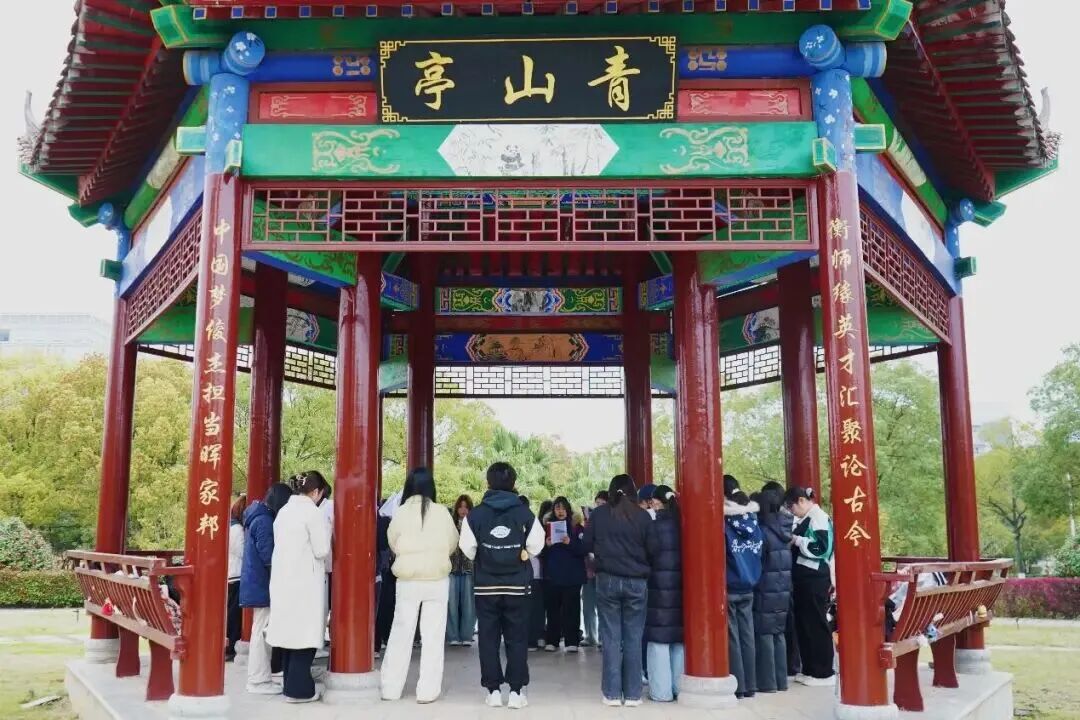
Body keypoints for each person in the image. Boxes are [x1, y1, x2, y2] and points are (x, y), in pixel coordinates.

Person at [459, 462, 544, 709]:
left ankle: (493, 691)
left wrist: (486, 559)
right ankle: (516, 693)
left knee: (488, 639)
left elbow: (467, 548)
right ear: (513, 483)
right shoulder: (525, 513)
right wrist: (520, 554)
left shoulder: (476, 514)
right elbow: (536, 545)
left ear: (488, 482)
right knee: (517, 639)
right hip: (517, 586)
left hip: (486, 586)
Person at [380, 468, 460, 703]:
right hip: (437, 579)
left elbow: (392, 542)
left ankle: (391, 689)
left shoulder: (401, 512)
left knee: (401, 634)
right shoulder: (442, 512)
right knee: (433, 636)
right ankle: (427, 691)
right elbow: (452, 542)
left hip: (408, 580)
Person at [582, 474, 653, 707]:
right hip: (637, 581)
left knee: (611, 637)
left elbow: (586, 544)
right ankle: (633, 694)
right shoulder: (643, 516)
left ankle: (612, 694)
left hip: (608, 579)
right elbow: (654, 548)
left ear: (611, 491)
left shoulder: (599, 514)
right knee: (633, 637)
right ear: (633, 491)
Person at [266, 471, 331, 703]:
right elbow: (322, 550)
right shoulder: (313, 513)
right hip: (305, 581)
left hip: (283, 579)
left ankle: (289, 684)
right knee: (304, 634)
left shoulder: (284, 511)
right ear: (316, 492)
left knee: (288, 633)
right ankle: (299, 690)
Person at [240, 482, 293, 695]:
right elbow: (269, 556)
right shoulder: (264, 521)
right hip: (262, 584)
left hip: (256, 582)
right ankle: (258, 680)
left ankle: (262, 676)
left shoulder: (257, 516)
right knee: (261, 634)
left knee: (260, 631)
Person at [783, 485, 836, 686]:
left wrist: (797, 540)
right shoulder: (807, 518)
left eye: (792, 507)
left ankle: (823, 672)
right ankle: (810, 669)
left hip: (814, 577)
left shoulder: (818, 518)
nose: (792, 512)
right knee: (805, 625)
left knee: (816, 624)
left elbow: (822, 548)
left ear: (801, 501)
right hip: (804, 578)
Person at [724, 479, 764, 699]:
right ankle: (751, 684)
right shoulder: (755, 525)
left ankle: (738, 685)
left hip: (731, 585)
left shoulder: (725, 526)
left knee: (732, 637)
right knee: (747, 635)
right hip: (750, 585)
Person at [644, 485, 684, 702]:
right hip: (680, 589)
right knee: (678, 640)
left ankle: (661, 692)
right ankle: (679, 687)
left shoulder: (653, 527)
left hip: (658, 589)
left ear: (657, 503)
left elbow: (646, 555)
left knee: (658, 640)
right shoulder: (683, 525)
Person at [753, 485, 792, 693]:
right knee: (778, 632)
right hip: (783, 588)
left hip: (765, 587)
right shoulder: (785, 529)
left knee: (764, 633)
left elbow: (759, 561)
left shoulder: (763, 531)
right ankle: (781, 680)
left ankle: (767, 682)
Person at [541, 496, 586, 652]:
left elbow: (583, 549)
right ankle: (552, 640)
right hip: (552, 575)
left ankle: (572, 641)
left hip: (572, 576)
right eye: (557, 508)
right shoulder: (547, 527)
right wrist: (546, 545)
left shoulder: (576, 528)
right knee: (552, 609)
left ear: (568, 510)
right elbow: (540, 553)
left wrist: (570, 543)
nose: (560, 511)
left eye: (563, 508)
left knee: (571, 609)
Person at [447, 494, 476, 647]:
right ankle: (452, 635)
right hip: (451, 568)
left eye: (466, 507)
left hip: (468, 568)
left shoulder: (474, 525)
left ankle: (466, 635)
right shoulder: (450, 525)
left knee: (468, 604)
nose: (463, 510)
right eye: (461, 506)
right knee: (451, 603)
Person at [519, 495, 546, 651]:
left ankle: (535, 637)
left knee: (535, 608)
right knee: (523, 609)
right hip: (520, 575)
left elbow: (540, 547)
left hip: (534, 573)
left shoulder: (534, 524)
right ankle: (527, 638)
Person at [581, 489, 608, 648]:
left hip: (603, 570)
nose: (598, 506)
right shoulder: (587, 522)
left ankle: (603, 638)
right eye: (597, 503)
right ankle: (590, 636)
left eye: (602, 504)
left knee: (603, 606)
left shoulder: (612, 522)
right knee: (588, 605)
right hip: (588, 570)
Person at [226, 493, 246, 661]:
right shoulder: (237, 529)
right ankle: (231, 646)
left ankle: (230, 646)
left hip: (232, 574)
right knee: (234, 616)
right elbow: (242, 552)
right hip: (236, 574)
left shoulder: (230, 527)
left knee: (232, 615)